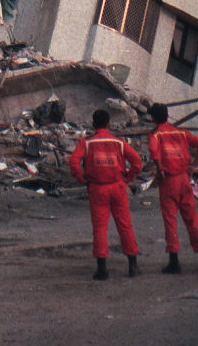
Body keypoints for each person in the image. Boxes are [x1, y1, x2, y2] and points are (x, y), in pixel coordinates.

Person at [69, 108, 143, 280]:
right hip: (118, 187)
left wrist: (82, 179)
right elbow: (137, 162)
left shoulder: (86, 143)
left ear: (93, 124)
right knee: (125, 225)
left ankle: (102, 269)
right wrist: (127, 179)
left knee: (100, 228)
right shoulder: (119, 142)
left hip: (97, 189)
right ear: (109, 125)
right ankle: (133, 266)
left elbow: (73, 162)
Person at [148, 103, 198, 273]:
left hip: (169, 182)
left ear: (153, 118)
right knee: (192, 219)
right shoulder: (181, 133)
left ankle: (174, 261)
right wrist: (193, 166)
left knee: (170, 221)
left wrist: (160, 169)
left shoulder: (156, 135)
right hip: (184, 179)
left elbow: (154, 153)